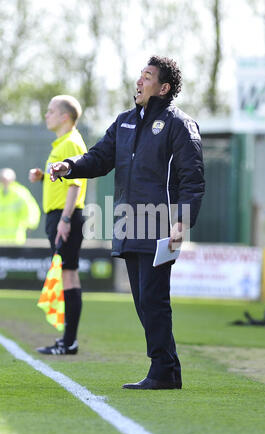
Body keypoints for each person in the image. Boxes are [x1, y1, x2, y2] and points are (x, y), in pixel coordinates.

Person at [50, 56, 205, 389]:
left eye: (147, 76)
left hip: (159, 224)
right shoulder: (124, 122)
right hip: (128, 222)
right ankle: (168, 369)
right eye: (140, 74)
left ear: (163, 88)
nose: (139, 81)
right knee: (143, 302)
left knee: (153, 300)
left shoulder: (180, 124)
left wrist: (182, 220)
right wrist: (70, 166)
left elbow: (192, 179)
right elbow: (99, 157)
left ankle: (163, 370)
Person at [29, 95, 87, 355]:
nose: (46, 115)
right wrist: (43, 178)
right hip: (60, 216)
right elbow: (63, 181)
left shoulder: (72, 142)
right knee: (67, 274)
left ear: (65, 116)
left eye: (50, 111)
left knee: (68, 274)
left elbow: (76, 184)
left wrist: (65, 219)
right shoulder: (63, 142)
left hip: (66, 217)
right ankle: (67, 340)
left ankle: (69, 341)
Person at [0, 168, 40, 245]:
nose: (4, 182)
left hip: (15, 239)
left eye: (6, 179)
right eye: (2, 179)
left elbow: (32, 210)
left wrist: (29, 225)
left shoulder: (21, 193)